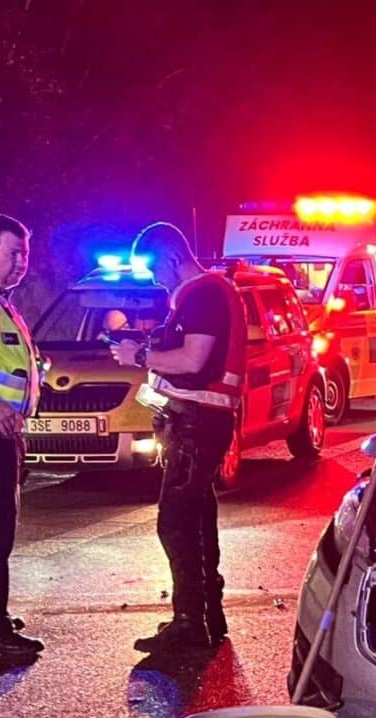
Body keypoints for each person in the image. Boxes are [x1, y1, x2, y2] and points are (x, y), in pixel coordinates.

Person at [111, 223, 245, 654]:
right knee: (198, 518)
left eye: (154, 269)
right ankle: (207, 615)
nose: (154, 279)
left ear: (170, 257)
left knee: (176, 523)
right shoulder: (209, 293)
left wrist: (141, 356)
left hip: (195, 424)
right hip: (199, 422)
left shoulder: (203, 293)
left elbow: (192, 359)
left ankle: (189, 623)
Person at [0, 214, 44, 661]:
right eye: (13, 252)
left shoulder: (1, 302)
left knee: (0, 530)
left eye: (25, 252)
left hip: (4, 437)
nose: (22, 262)